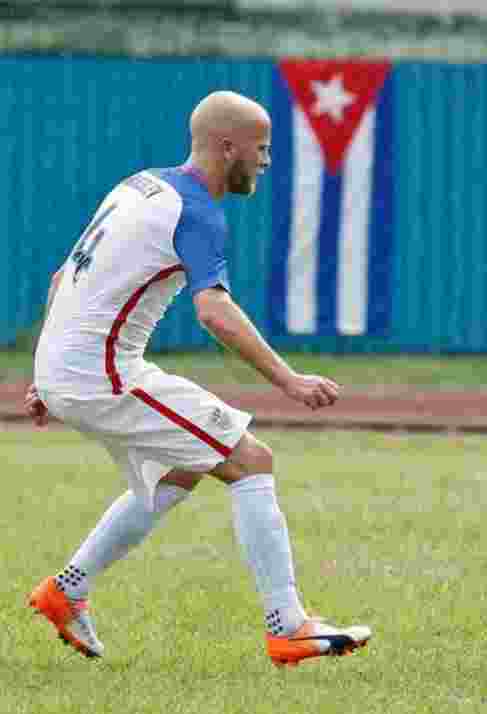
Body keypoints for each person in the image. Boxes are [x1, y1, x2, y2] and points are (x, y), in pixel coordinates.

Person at [24, 90, 370, 667]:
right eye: (260, 148)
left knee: (182, 467)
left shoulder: (140, 184)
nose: (265, 161)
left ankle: (66, 589)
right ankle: (288, 626)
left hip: (75, 370)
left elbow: (66, 275)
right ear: (226, 146)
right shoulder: (198, 213)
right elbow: (212, 311)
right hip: (102, 375)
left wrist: (45, 372)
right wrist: (289, 380)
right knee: (251, 460)